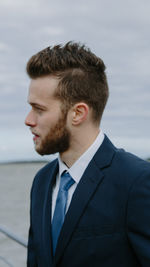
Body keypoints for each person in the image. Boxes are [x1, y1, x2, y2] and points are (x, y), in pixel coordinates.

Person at [25, 41, 150, 267]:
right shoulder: (41, 181)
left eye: (39, 109)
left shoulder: (137, 181)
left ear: (78, 113)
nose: (28, 120)